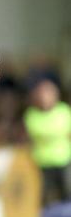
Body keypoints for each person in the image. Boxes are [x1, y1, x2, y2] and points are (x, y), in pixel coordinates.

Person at [23, 78, 71, 208]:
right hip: (42, 163)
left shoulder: (64, 110)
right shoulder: (31, 114)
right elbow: (37, 132)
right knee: (46, 197)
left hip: (64, 160)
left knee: (67, 193)